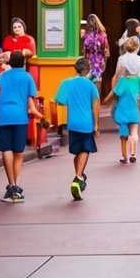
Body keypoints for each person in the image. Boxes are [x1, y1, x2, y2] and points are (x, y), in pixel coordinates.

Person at [0, 50, 41, 203]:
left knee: (6, 149)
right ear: (24, 62)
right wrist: (39, 115)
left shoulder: (3, 76)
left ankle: (11, 185)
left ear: (10, 62)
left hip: (4, 116)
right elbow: (31, 104)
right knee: (18, 152)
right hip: (20, 117)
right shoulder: (27, 77)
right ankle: (17, 186)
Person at [54, 56, 101, 200]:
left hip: (72, 123)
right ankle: (78, 177)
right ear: (87, 70)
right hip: (86, 123)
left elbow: (60, 101)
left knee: (77, 152)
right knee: (85, 150)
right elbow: (96, 105)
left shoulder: (66, 83)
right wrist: (97, 124)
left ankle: (79, 178)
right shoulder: (90, 85)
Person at [106, 35, 140, 163]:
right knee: (134, 130)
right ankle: (133, 153)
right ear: (138, 47)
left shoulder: (121, 59)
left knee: (123, 127)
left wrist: (114, 92)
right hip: (136, 95)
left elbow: (117, 75)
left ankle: (124, 154)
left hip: (123, 94)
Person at [83, 13, 111, 96]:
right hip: (97, 61)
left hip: (91, 61)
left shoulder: (87, 35)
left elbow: (84, 49)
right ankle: (95, 100)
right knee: (96, 82)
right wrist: (104, 61)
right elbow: (106, 51)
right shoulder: (102, 35)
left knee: (90, 81)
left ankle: (93, 101)